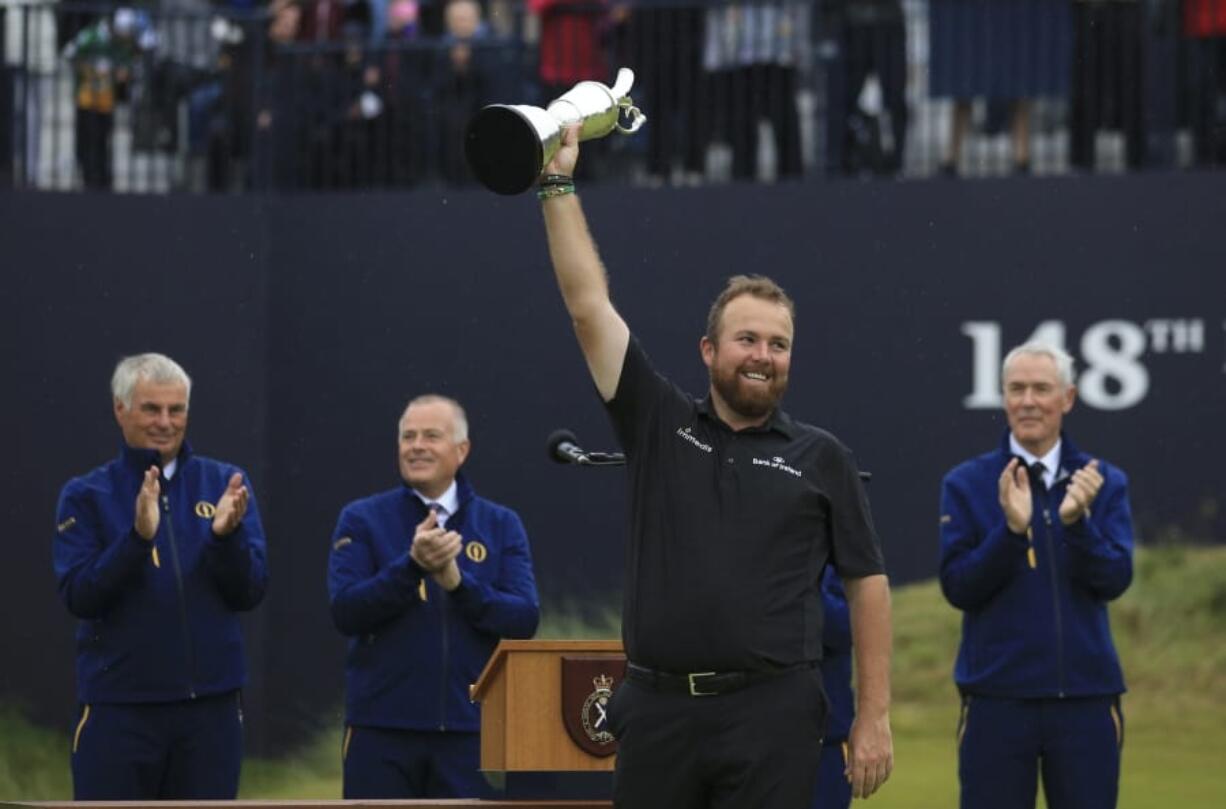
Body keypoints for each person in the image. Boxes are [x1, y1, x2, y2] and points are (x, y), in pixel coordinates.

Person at [537, 127, 894, 808]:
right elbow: (589, 309)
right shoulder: (657, 421)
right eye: (748, 338)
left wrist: (873, 715)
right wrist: (558, 185)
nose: (763, 354)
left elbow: (867, 585)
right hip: (657, 714)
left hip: (774, 716)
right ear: (708, 349)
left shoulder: (822, 457)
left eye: (779, 343)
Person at [53, 353, 269, 800]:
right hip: (120, 710)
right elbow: (79, 596)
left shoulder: (226, 482)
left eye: (177, 409)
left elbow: (250, 590)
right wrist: (136, 539)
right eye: (152, 408)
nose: (166, 422)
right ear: (120, 409)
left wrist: (225, 538)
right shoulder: (86, 494)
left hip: (210, 714)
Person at [939, 342, 1133, 809]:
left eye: (1041, 389)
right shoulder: (966, 483)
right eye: (1016, 389)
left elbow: (1114, 580)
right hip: (996, 702)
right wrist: (1010, 531)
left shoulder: (1101, 481)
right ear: (1003, 397)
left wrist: (1077, 525)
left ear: (1067, 398)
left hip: (1085, 701)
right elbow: (959, 587)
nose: (1028, 401)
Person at [327, 394, 540, 799]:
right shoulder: (362, 518)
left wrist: (459, 585)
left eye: (431, 436)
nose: (416, 446)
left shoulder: (500, 524)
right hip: (381, 730)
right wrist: (410, 568)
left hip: (471, 730)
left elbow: (523, 619)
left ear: (462, 450)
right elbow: (346, 611)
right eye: (408, 437)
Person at [812, 567, 853, 809]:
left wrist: (800, 584)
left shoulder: (836, 554)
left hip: (827, 736)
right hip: (758, 733)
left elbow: (845, 626)